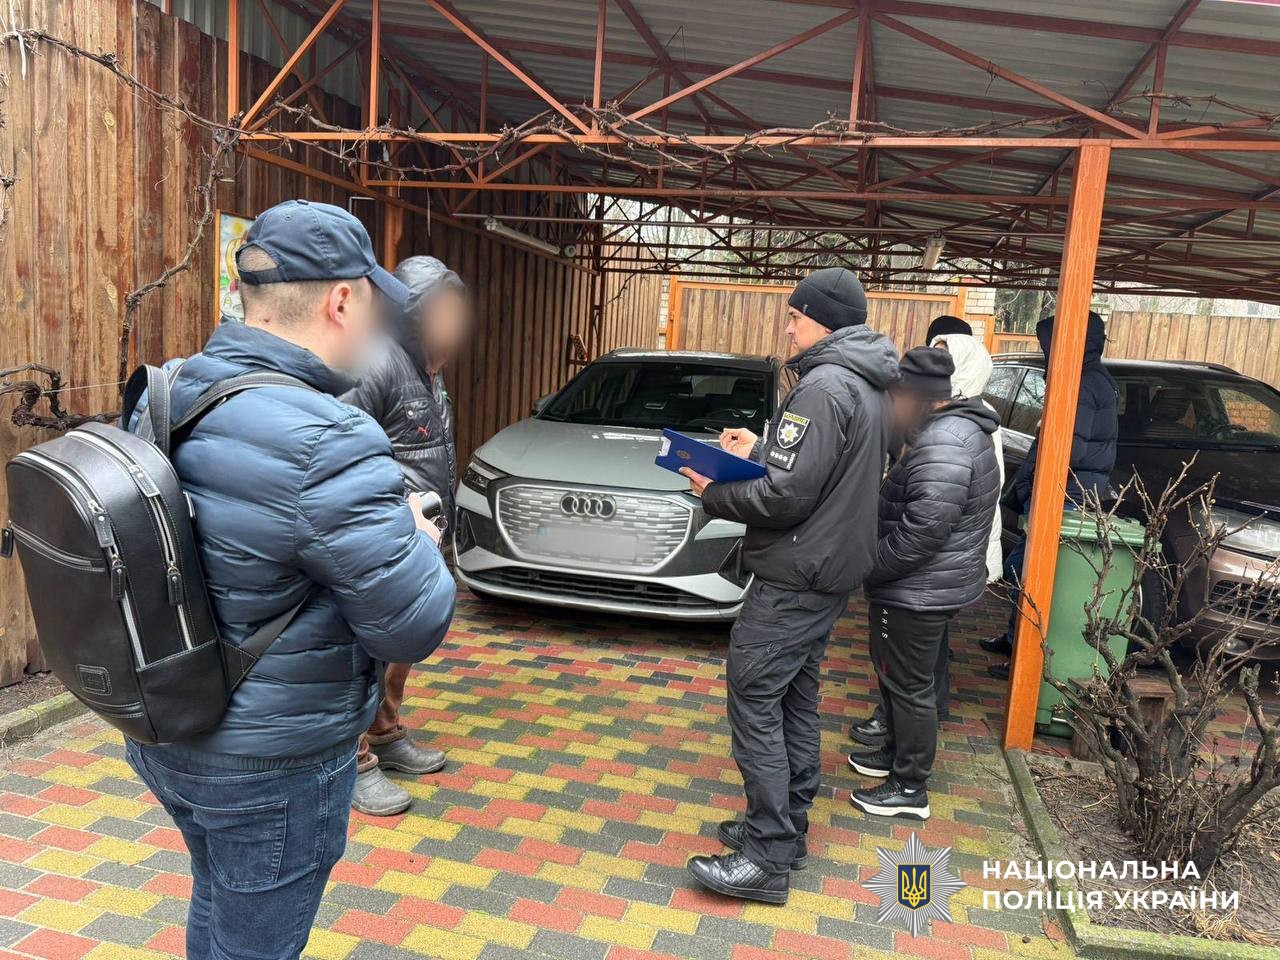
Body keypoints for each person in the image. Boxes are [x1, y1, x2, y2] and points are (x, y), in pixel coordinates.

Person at [124, 200, 457, 960]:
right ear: (342, 301)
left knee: (217, 895)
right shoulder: (330, 437)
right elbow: (413, 625)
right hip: (270, 764)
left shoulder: (168, 390)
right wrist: (416, 536)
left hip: (167, 727)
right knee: (256, 941)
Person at [678, 267, 899, 904]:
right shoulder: (863, 384)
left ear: (823, 321)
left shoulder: (823, 387)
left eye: (795, 317)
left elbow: (787, 496)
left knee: (754, 697)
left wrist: (713, 491)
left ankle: (766, 855)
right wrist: (761, 448)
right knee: (795, 698)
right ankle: (787, 828)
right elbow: (817, 472)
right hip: (826, 572)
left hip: (795, 574)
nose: (788, 328)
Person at [341, 255, 470, 816]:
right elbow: (344, 449)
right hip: (386, 540)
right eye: (443, 308)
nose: (455, 319)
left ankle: (386, 731)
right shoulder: (377, 360)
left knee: (400, 648)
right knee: (365, 650)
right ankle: (352, 759)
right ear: (411, 313)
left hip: (423, 536)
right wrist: (388, 519)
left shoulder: (429, 371)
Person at [848, 347, 1000, 820]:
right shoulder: (954, 431)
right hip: (927, 586)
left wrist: (869, 566)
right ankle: (895, 755)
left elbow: (921, 533)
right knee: (900, 678)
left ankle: (909, 787)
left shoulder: (943, 444)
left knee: (910, 686)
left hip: (918, 590)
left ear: (918, 398)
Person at [983, 311, 1118, 679]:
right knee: (1024, 570)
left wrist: (1047, 438)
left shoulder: (1082, 384)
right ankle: (1013, 641)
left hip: (1064, 496)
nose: (1046, 351)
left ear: (1070, 342)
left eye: (1050, 344)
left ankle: (1022, 656)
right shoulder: (1091, 379)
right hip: (1071, 492)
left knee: (1028, 574)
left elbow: (1068, 449)